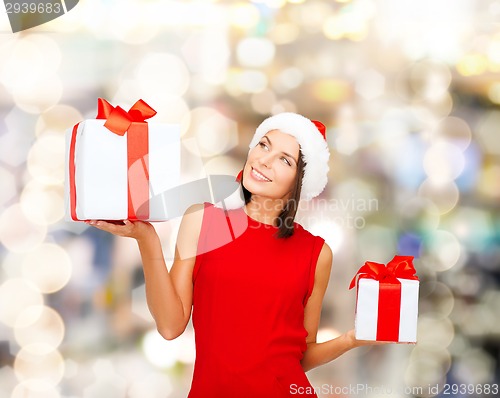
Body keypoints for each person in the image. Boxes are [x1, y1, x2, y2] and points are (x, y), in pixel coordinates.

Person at [87, 113, 382, 398]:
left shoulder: (316, 253)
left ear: (299, 182)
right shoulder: (201, 220)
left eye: (284, 159)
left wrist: (349, 340)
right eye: (264, 145)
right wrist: (147, 239)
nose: (264, 159)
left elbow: (300, 356)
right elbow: (170, 325)